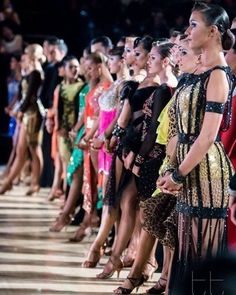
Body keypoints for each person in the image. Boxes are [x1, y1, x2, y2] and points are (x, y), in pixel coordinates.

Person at [156, 2, 235, 294]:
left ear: (213, 31)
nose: (188, 31)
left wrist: (177, 174)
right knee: (184, 254)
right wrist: (171, 167)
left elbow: (206, 136)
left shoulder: (218, 75)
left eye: (193, 25)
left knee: (200, 259)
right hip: (188, 165)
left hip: (205, 172)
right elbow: (178, 125)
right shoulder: (197, 72)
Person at [0, 44, 45, 195]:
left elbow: (31, 96)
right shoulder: (30, 71)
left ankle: (35, 182)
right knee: (20, 150)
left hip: (33, 114)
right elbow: (22, 94)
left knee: (34, 149)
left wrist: (20, 111)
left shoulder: (37, 72)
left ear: (32, 54)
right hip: (26, 113)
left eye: (27, 53)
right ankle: (9, 181)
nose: (24, 56)